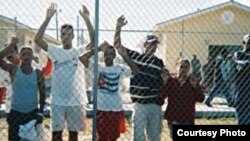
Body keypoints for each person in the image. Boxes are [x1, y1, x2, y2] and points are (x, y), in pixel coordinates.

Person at [34, 3, 94, 141]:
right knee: (56, 135)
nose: (65, 37)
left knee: (73, 136)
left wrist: (87, 19)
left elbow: (93, 41)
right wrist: (48, 17)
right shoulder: (56, 51)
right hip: (58, 101)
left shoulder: (78, 51)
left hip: (76, 101)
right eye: (62, 34)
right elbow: (37, 39)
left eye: (68, 34)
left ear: (73, 36)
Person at [114, 15, 164, 141]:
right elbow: (117, 46)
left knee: (154, 136)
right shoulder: (135, 57)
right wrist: (118, 27)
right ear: (144, 45)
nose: (152, 47)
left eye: (155, 45)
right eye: (150, 44)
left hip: (154, 104)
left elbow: (162, 81)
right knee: (138, 137)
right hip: (139, 104)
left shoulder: (159, 63)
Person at [0, 36, 45, 141]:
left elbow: (42, 93)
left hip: (32, 112)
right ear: (19, 56)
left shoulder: (38, 73)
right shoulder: (14, 70)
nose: (26, 56)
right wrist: (11, 44)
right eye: (23, 54)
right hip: (16, 112)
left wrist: (41, 112)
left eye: (29, 54)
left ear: (32, 56)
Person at [160, 59, 204, 139]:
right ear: (177, 67)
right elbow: (162, 96)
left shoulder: (192, 82)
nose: (183, 69)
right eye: (181, 67)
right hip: (173, 116)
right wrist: (165, 83)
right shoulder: (172, 81)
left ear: (189, 69)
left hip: (187, 118)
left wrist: (195, 87)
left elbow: (201, 99)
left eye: (186, 67)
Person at [233, 33, 250, 125]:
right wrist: (247, 63)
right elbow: (239, 64)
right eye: (249, 42)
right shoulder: (238, 54)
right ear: (243, 43)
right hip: (242, 95)